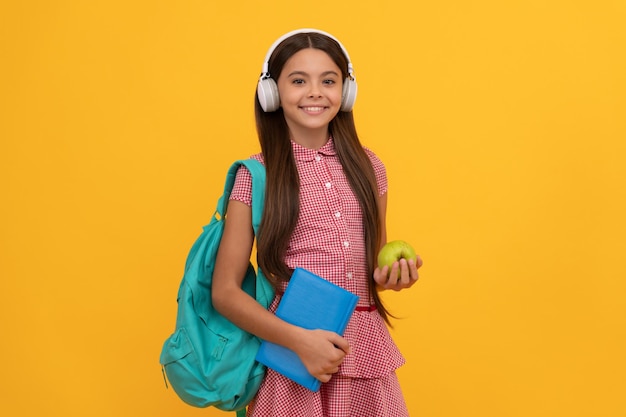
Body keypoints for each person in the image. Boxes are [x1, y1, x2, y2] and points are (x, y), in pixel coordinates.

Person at [212, 28, 423, 417]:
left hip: (364, 352)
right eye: (298, 81)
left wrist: (392, 276)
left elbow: (373, 266)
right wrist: (298, 342)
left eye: (328, 80)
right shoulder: (256, 175)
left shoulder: (369, 167)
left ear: (346, 91)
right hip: (292, 354)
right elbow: (224, 292)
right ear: (272, 93)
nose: (315, 92)